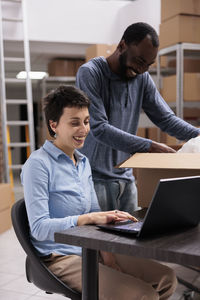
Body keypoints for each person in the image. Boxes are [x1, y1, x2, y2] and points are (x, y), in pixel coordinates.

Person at [21, 85, 177, 300]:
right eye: (75, 122)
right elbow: (39, 229)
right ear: (53, 125)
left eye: (86, 121)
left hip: (90, 250)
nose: (84, 129)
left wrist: (109, 255)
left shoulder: (83, 162)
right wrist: (89, 218)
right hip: (60, 257)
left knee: (167, 278)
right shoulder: (38, 164)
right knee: (143, 295)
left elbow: (94, 213)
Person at [76, 22, 200, 214]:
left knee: (130, 239)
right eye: (139, 61)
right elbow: (99, 127)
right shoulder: (91, 73)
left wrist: (198, 135)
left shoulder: (141, 78)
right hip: (95, 180)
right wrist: (150, 147)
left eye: (148, 65)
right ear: (122, 45)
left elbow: (166, 119)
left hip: (126, 179)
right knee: (94, 242)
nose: (142, 69)